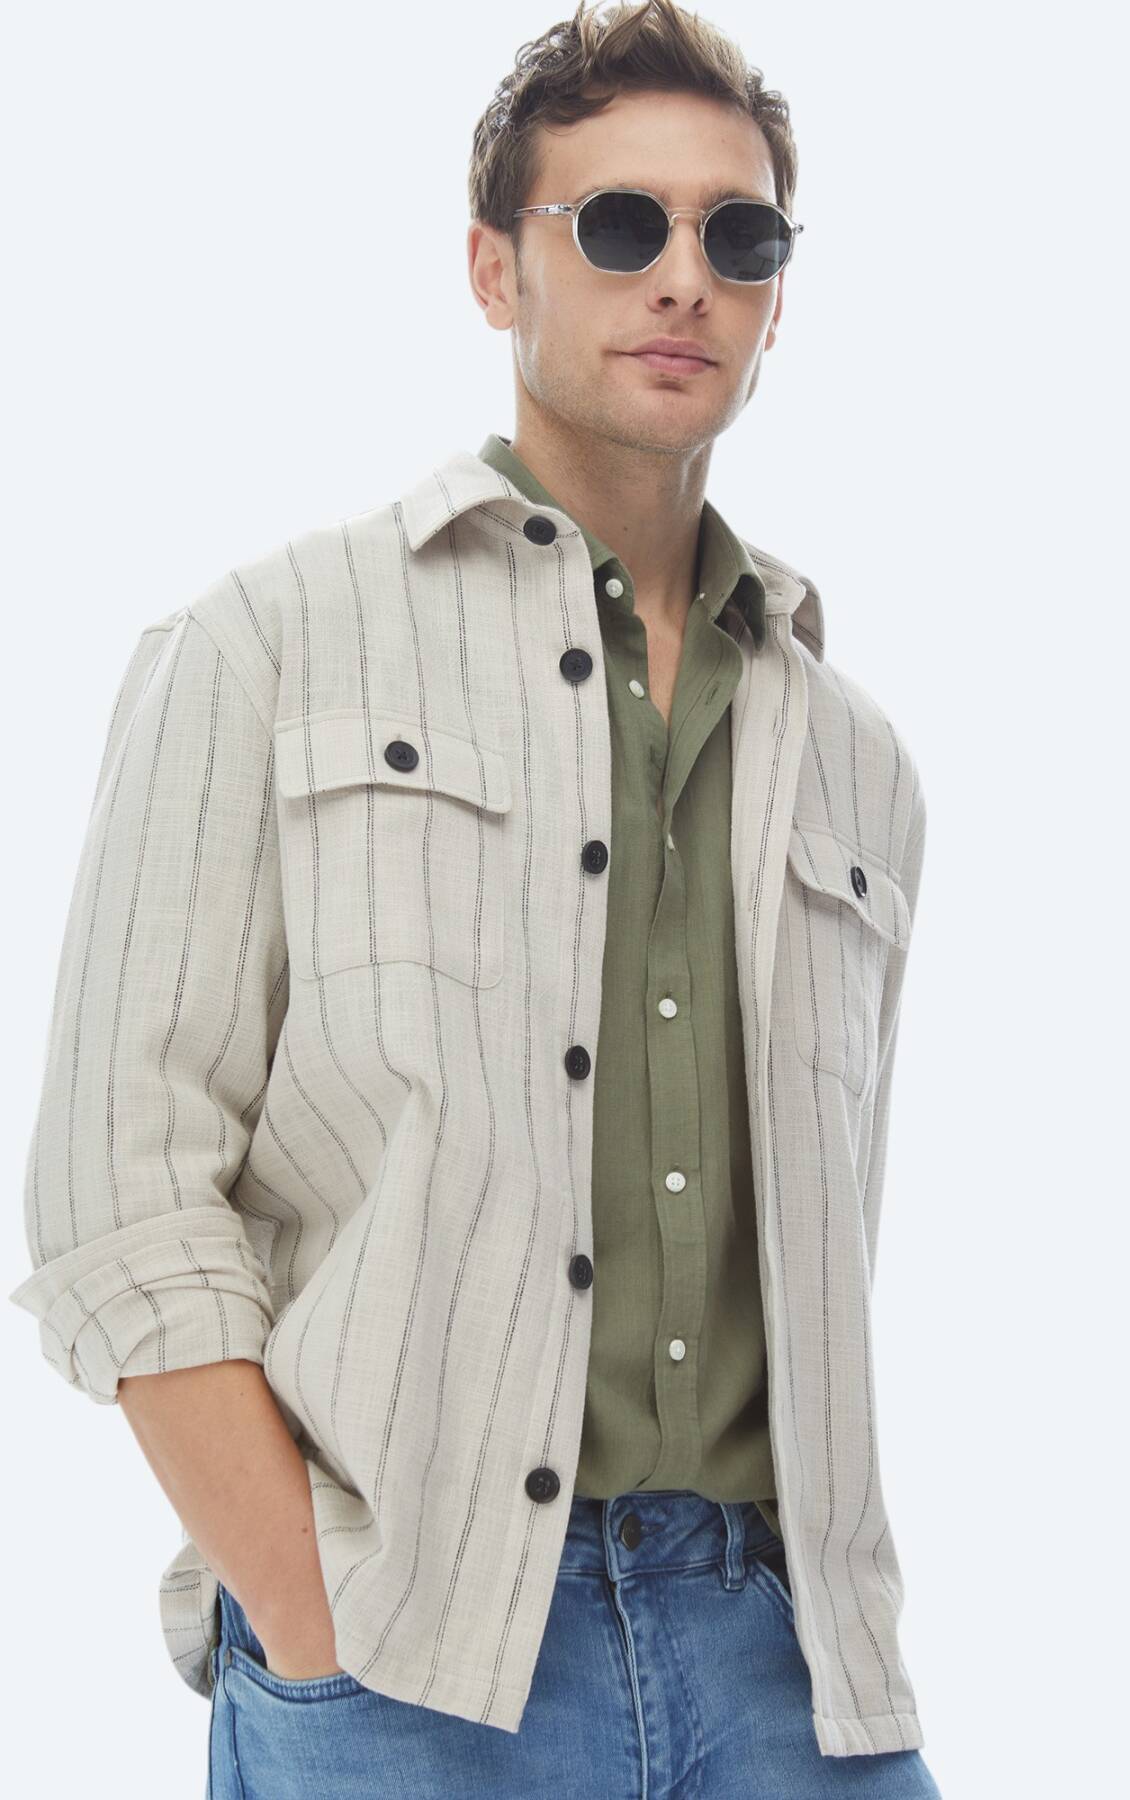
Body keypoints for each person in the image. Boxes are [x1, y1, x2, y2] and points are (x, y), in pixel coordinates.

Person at [9, 2, 940, 1793]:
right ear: (493, 266)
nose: (682, 278)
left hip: (788, 1660)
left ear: (777, 294)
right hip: (407, 1654)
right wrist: (308, 1610)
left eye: (738, 237)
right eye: (620, 224)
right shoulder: (267, 645)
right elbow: (116, 1192)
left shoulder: (859, 762)